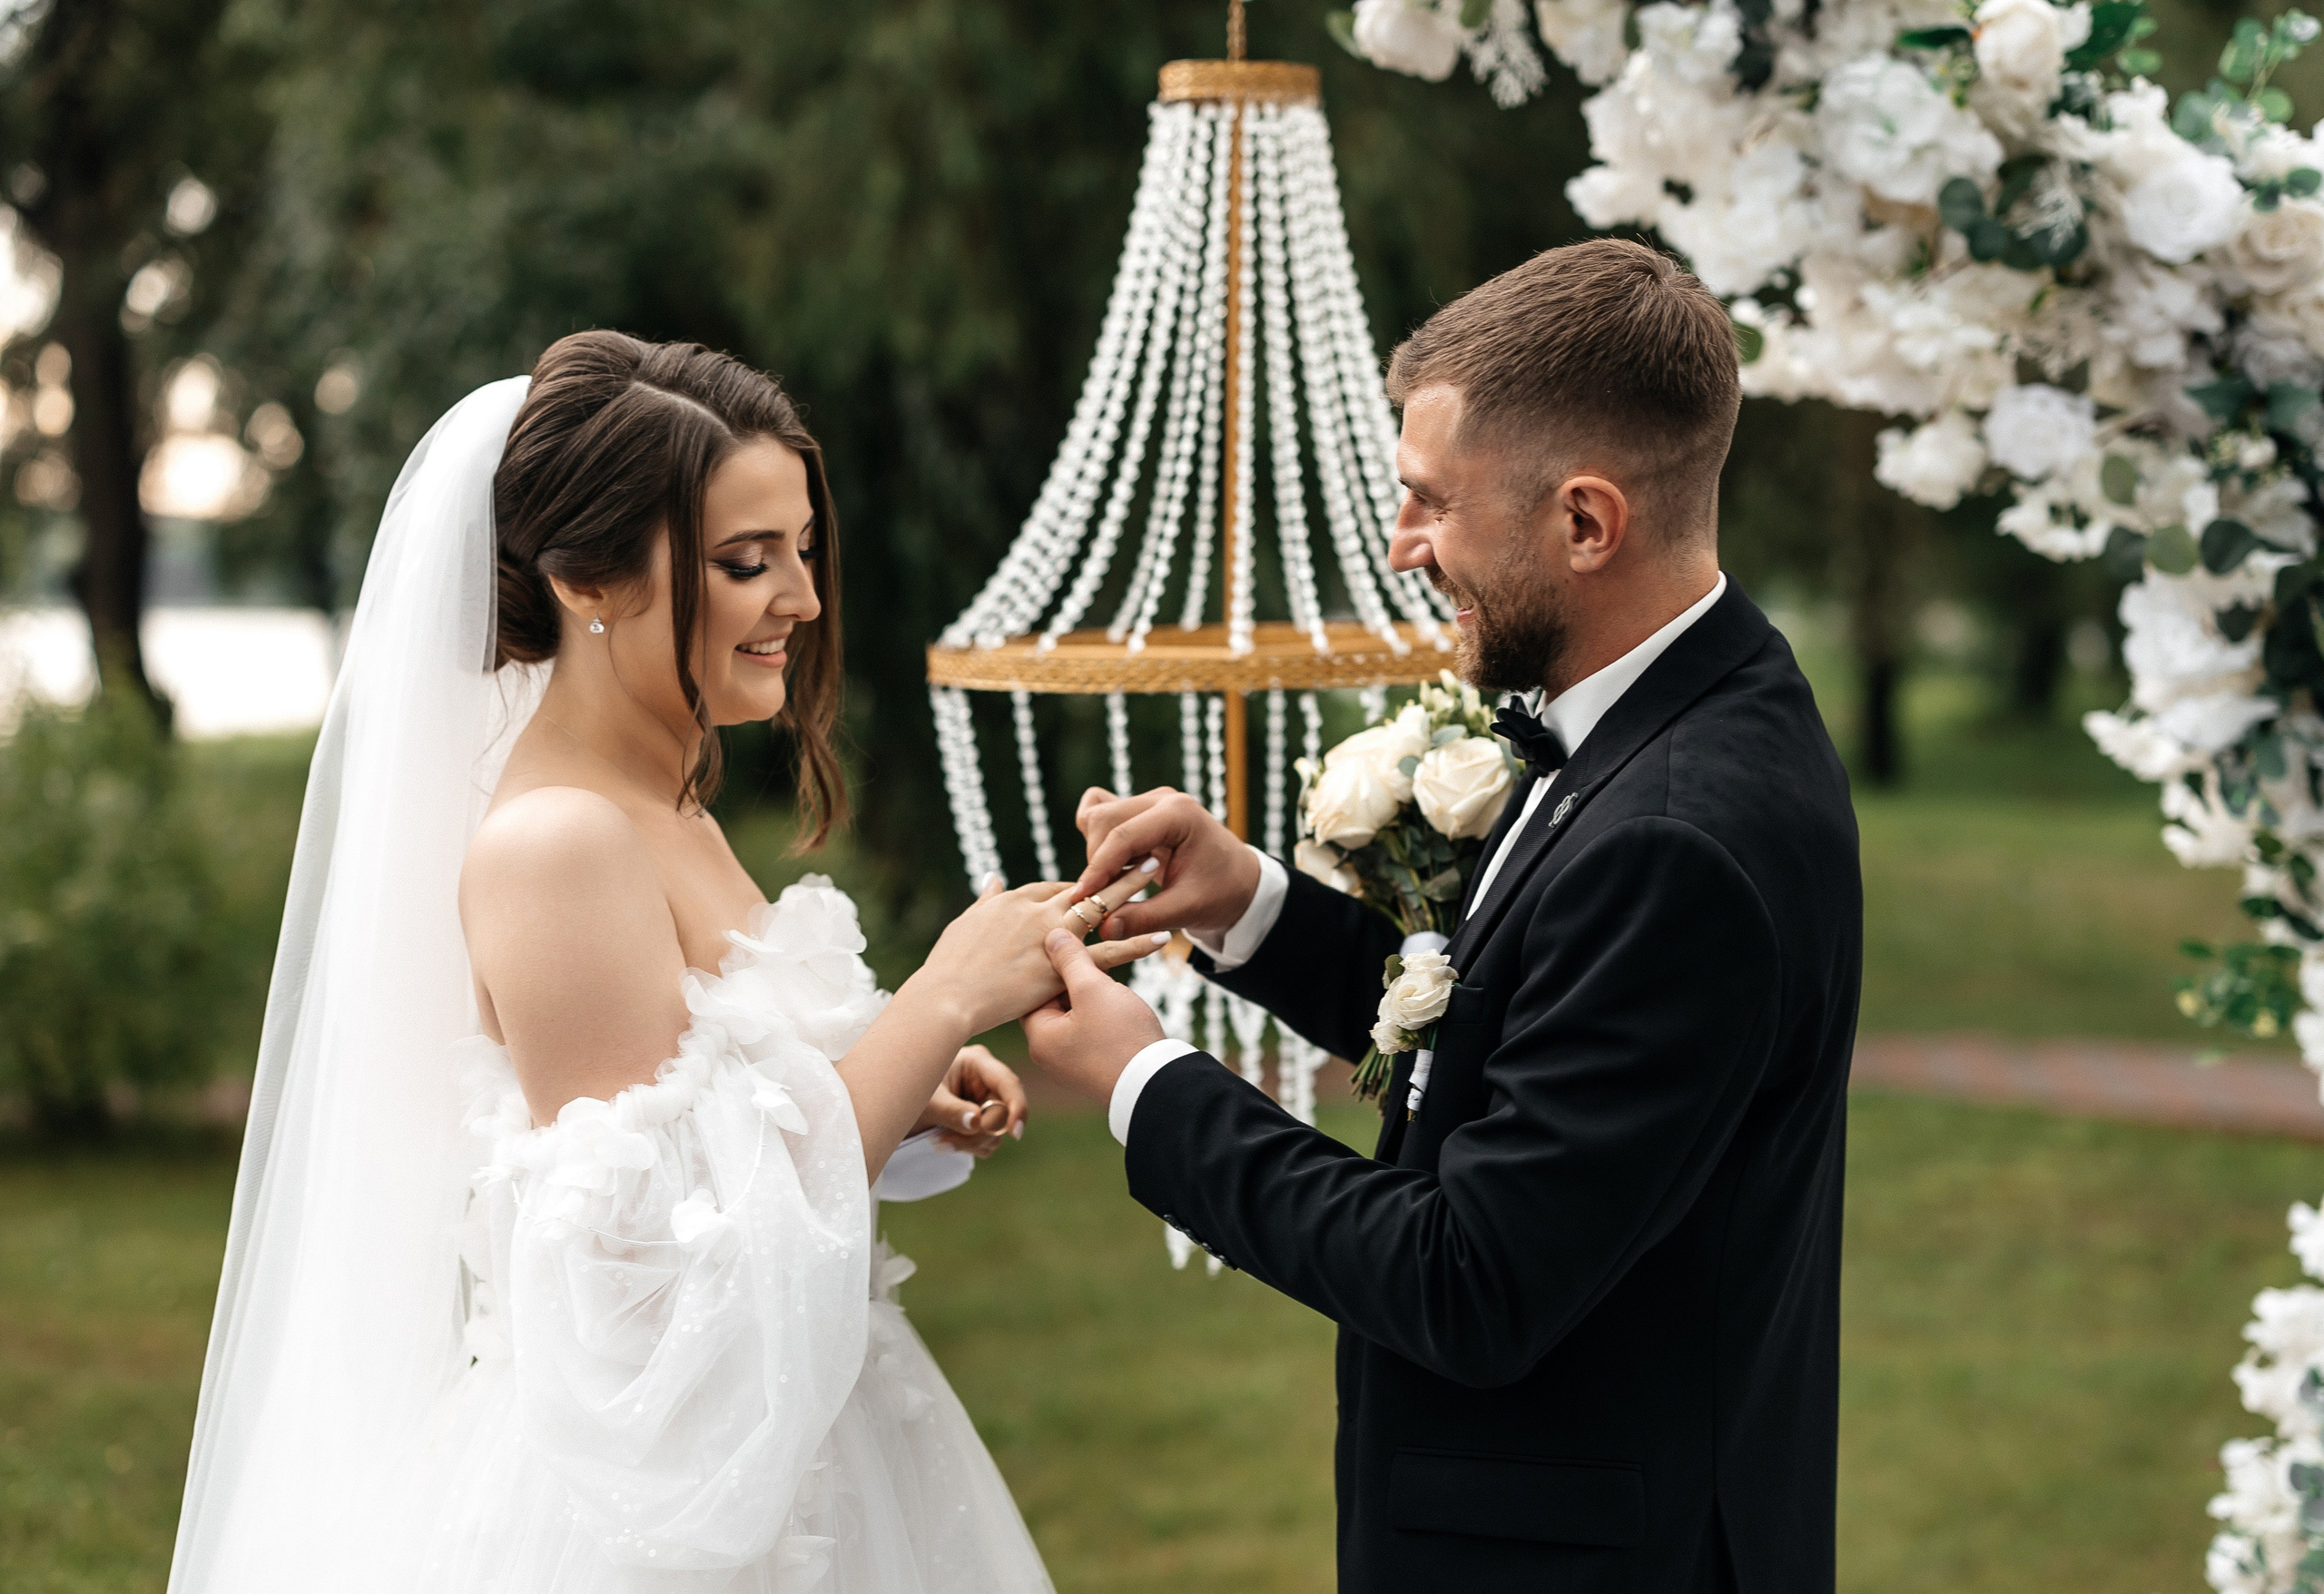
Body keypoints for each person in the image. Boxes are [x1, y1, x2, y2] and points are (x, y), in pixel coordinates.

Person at [171, 332, 1162, 1594]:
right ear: (591, 580)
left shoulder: (669, 798)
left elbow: (724, 1133)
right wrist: (944, 993)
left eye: (801, 550)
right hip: (651, 1524)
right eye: (747, 563)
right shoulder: (556, 845)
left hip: (821, 1452)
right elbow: (651, 1286)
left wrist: (897, 1072)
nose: (799, 598)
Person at [1024, 239, 1862, 1593]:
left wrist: (1146, 1084)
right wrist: (1252, 906)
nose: (1403, 548)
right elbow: (1524, 1027)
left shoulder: (1676, 837)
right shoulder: (1684, 710)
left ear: (1586, 524)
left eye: (1431, 505)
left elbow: (1470, 1279)